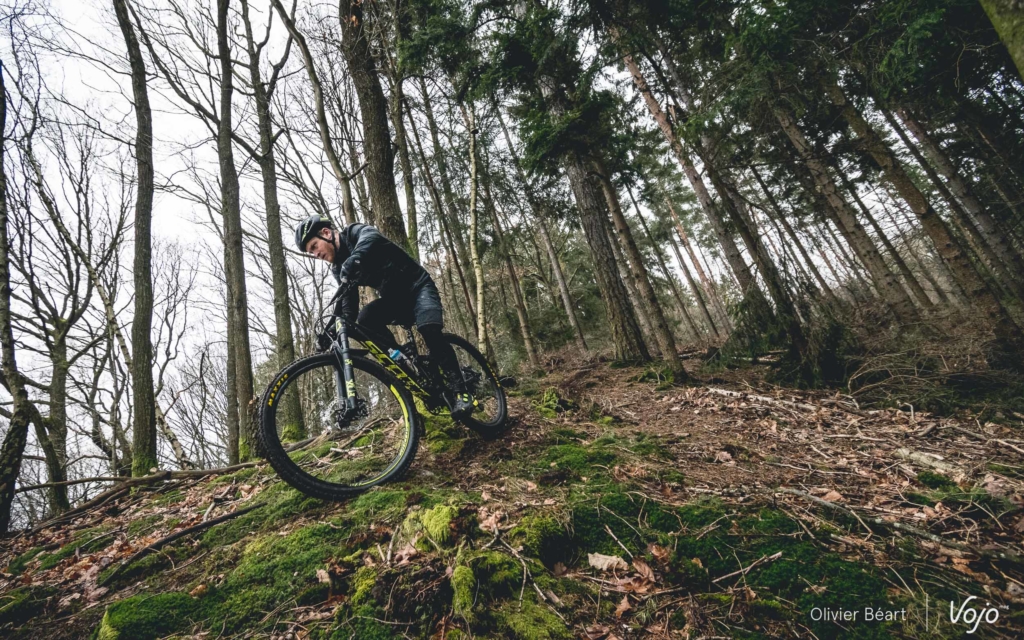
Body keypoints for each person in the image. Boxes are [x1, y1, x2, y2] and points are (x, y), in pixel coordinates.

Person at [294, 214, 474, 417]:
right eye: (311, 252)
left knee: (428, 329)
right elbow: (347, 309)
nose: (315, 254)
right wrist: (328, 333)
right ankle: (403, 360)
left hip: (418, 288)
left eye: (314, 247)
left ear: (326, 233)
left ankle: (462, 392)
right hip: (395, 301)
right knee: (365, 319)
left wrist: (354, 259)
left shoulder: (354, 233)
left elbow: (372, 237)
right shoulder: (338, 268)